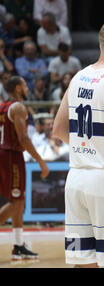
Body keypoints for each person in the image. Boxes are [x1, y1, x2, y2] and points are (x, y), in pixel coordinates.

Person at [53, 21, 104, 268]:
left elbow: (58, 129)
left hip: (77, 180)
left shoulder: (79, 76)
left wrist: (87, 148)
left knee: (84, 263)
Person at [0, 76, 49, 260]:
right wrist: (41, 162)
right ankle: (18, 245)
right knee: (16, 203)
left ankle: (18, 246)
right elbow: (24, 139)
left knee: (18, 201)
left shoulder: (3, 105)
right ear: (17, 88)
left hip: (6, 154)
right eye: (24, 84)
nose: (27, 87)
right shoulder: (18, 107)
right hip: (12, 156)